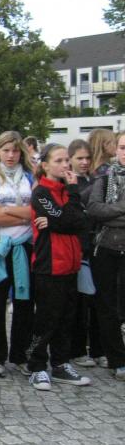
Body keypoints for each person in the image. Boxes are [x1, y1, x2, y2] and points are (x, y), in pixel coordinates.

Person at [26, 144, 91, 391]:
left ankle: (61, 364)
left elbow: (80, 221)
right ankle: (36, 365)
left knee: (66, 319)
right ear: (45, 165)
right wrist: (63, 218)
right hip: (49, 265)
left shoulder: (67, 190)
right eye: (59, 161)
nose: (66, 165)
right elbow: (68, 219)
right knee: (46, 319)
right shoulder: (41, 192)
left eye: (67, 160)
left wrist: (56, 221)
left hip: (71, 266)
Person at [0, 131, 35, 378]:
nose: (11, 155)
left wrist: (8, 210)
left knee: (24, 302)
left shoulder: (30, 177)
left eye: (14, 150)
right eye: (5, 150)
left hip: (25, 245)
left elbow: (36, 211)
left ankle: (20, 354)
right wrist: (22, 214)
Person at [85, 130, 125, 381]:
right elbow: (94, 209)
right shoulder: (105, 177)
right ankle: (117, 359)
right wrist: (122, 209)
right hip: (106, 248)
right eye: (123, 147)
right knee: (107, 305)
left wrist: (112, 214)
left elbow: (104, 212)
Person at [67, 139, 104, 369]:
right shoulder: (70, 183)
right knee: (79, 301)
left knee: (97, 300)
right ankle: (77, 349)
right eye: (79, 158)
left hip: (95, 245)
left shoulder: (94, 179)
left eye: (87, 158)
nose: (84, 162)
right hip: (78, 247)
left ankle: (98, 348)